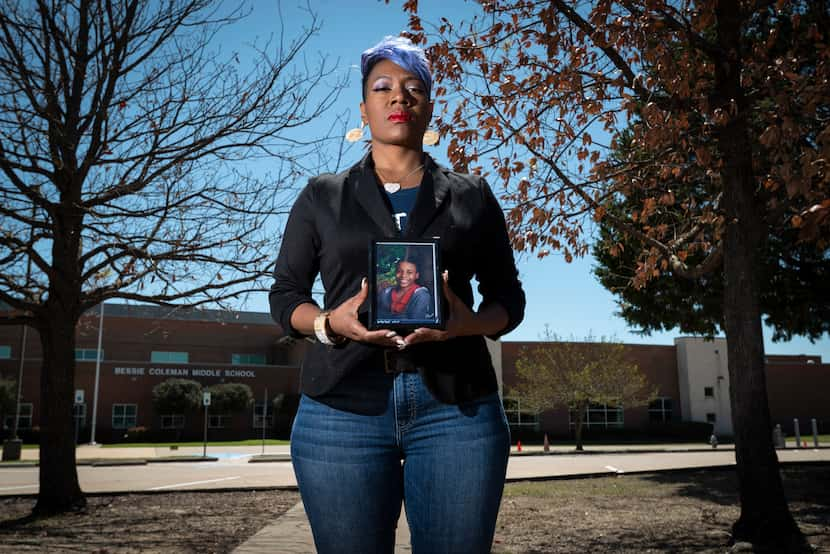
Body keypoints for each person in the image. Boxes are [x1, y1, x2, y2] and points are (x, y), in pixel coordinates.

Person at [269, 35, 525, 554]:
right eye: (382, 87)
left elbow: (508, 299)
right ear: (364, 108)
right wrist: (327, 324)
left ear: (429, 107)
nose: (398, 97)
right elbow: (285, 296)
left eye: (413, 88)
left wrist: (466, 324)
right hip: (340, 409)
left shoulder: (472, 193)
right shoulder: (323, 194)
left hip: (458, 408)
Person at [377, 256, 433, 321]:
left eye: (409, 272)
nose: (403, 275)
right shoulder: (386, 292)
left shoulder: (421, 295)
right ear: (395, 273)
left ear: (417, 275)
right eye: (399, 271)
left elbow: (415, 322)